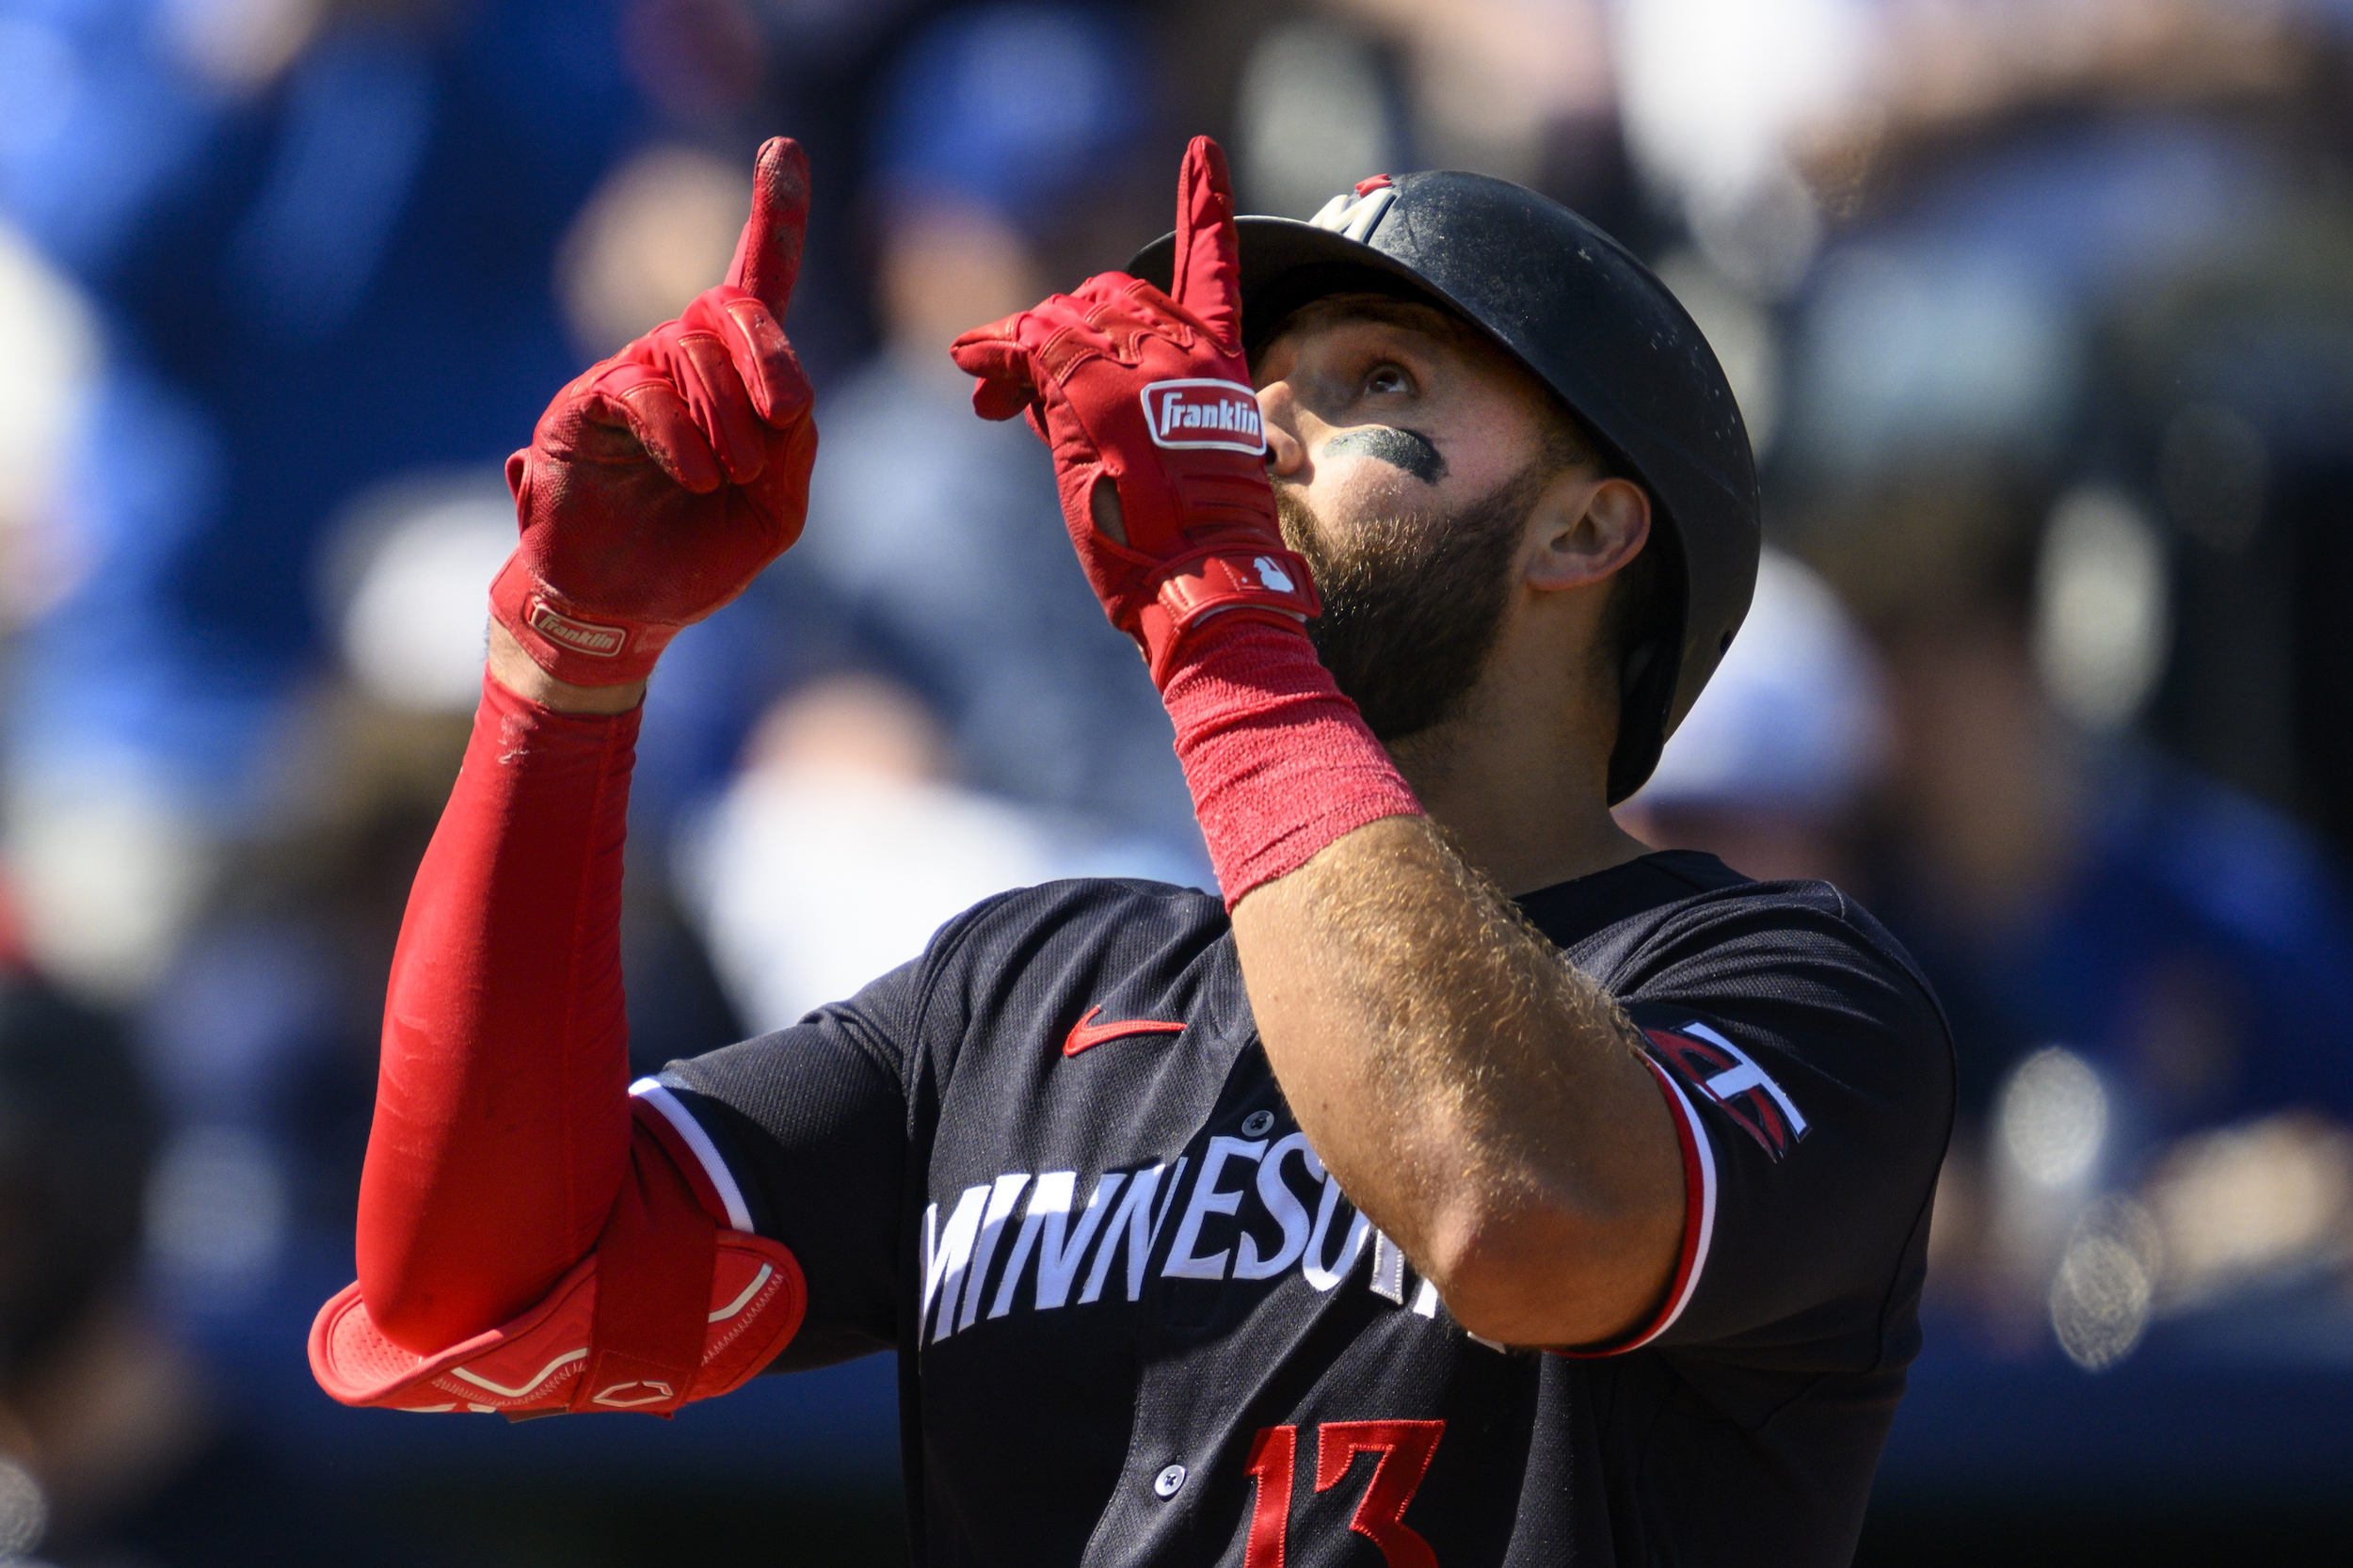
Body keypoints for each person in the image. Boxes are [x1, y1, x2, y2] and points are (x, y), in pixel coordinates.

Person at [310, 136, 1953, 1566]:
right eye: (1253, 391)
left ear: (1589, 529)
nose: (1262, 441)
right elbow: (478, 1292)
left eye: (1377, 383)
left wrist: (1215, 608)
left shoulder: (1790, 992)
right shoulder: (1016, 990)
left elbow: (1516, 1207)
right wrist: (571, 658)